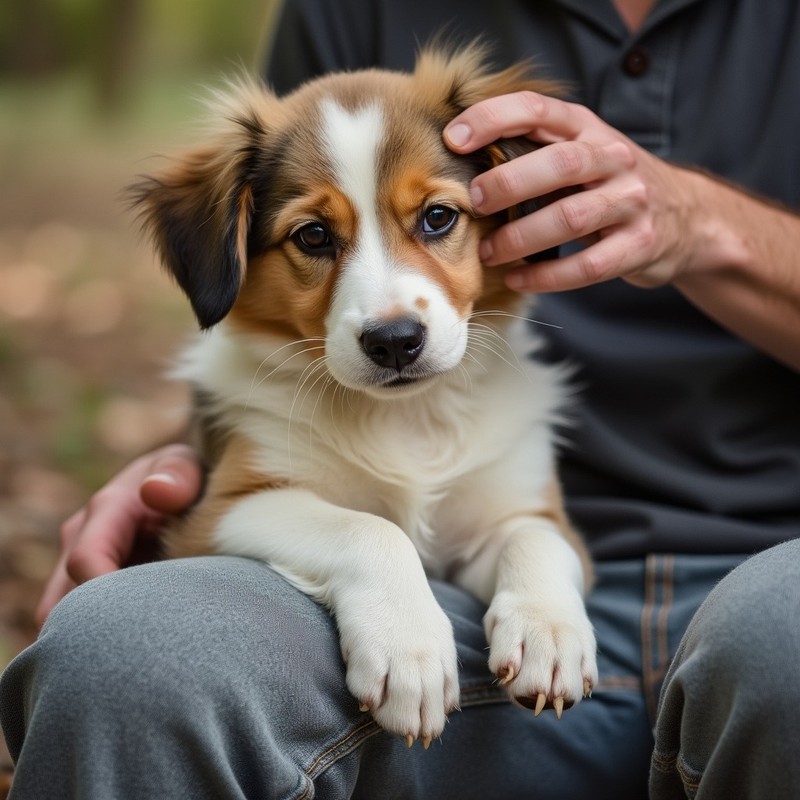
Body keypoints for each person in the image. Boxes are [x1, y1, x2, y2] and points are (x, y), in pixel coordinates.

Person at [2, 0, 800, 797]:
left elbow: (521, 529)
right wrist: (185, 468)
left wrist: (702, 223)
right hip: (431, 637)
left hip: (771, 571)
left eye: (437, 219)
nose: (388, 312)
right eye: (317, 237)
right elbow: (239, 428)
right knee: (119, 650)